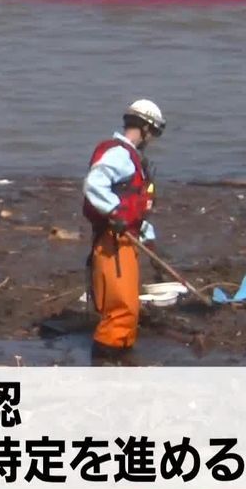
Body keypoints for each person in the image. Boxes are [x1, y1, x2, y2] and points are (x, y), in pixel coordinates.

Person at [81, 99, 166, 362]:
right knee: (120, 308)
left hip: (127, 239)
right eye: (153, 132)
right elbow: (94, 184)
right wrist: (114, 212)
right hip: (114, 241)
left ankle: (122, 357)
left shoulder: (133, 159)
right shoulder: (119, 154)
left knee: (128, 306)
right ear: (144, 128)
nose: (152, 139)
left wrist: (150, 243)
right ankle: (105, 364)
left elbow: (137, 208)